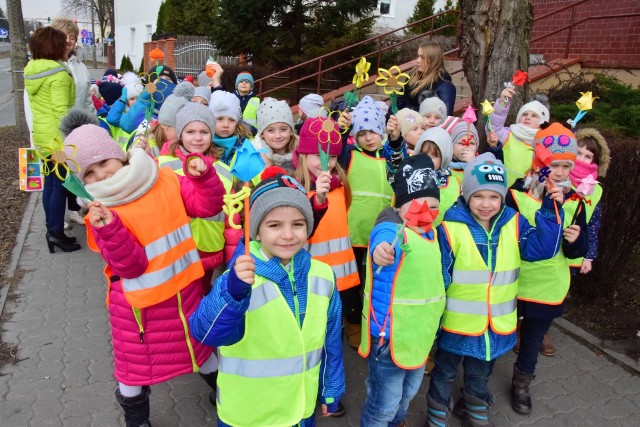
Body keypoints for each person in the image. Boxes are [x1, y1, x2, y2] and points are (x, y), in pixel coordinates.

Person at [61, 110, 225, 427]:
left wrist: (203, 177)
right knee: (134, 370)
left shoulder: (160, 177)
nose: (100, 176)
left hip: (184, 294)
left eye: (104, 163)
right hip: (138, 309)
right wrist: (109, 229)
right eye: (89, 174)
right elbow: (131, 266)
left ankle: (224, 392)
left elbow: (207, 206)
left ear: (120, 158)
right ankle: (137, 419)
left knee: (201, 352)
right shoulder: (99, 212)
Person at [189, 173, 345, 426]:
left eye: (297, 224)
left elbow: (330, 338)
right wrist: (233, 293)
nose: (288, 235)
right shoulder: (238, 279)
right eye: (274, 225)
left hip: (300, 409)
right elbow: (205, 332)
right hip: (249, 412)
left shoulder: (323, 275)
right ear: (256, 232)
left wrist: (331, 387)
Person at [425, 152, 564, 427]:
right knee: (444, 371)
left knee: (479, 373)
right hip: (456, 324)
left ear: (503, 197)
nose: (486, 204)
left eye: (494, 196)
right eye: (478, 196)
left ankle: (476, 409)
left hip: (494, 324)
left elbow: (542, 248)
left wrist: (549, 209)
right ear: (465, 193)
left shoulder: (513, 223)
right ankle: (437, 413)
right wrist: (432, 321)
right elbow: (439, 278)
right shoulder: (450, 228)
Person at [506, 123, 588, 416]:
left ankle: (521, 384)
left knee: (532, 339)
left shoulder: (575, 200)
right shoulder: (517, 192)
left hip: (547, 284)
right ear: (540, 161)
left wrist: (577, 241)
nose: (562, 172)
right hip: (513, 280)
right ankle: (478, 382)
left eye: (567, 165)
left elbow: (579, 249)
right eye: (555, 165)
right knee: (499, 333)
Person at [360, 154, 446, 426]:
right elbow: (383, 243)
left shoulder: (431, 234)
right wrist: (380, 253)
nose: (425, 211)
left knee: (407, 394)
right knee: (382, 404)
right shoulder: (391, 226)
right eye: (417, 204)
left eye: (432, 206)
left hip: (419, 335)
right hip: (390, 338)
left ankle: (397, 422)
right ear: (399, 206)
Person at [157, 102, 241, 295]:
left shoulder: (225, 171)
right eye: (190, 132)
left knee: (201, 297)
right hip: (175, 248)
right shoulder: (163, 166)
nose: (197, 138)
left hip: (208, 247)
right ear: (180, 134)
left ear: (211, 135)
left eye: (204, 132)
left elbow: (231, 220)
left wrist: (232, 257)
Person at [337, 95, 397, 349]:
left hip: (382, 233)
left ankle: (375, 320)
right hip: (353, 231)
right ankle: (353, 322)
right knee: (354, 281)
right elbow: (335, 152)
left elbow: (400, 156)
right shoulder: (350, 155)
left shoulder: (390, 158)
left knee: (379, 280)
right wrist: (340, 131)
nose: (368, 137)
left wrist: (396, 139)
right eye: (362, 133)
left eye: (373, 131)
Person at [293, 117, 359, 305]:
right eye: (319, 156)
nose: (326, 163)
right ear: (304, 154)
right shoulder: (297, 189)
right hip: (311, 277)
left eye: (332, 157)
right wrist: (318, 200)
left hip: (343, 277)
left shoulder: (340, 186)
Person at [24, 27, 78, 252]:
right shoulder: (57, 74)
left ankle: (52, 230)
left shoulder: (32, 70)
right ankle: (55, 233)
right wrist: (72, 137)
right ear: (54, 46)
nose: (66, 46)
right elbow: (61, 111)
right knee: (60, 187)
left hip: (43, 136)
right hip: (58, 139)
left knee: (50, 185)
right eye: (62, 43)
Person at [487, 88, 551, 186]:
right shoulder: (508, 134)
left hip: (523, 194)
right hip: (499, 185)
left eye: (534, 115)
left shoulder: (544, 144)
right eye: (524, 114)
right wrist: (502, 103)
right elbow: (494, 126)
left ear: (543, 122)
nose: (528, 117)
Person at [569, 128, 610, 274]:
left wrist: (588, 256)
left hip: (572, 252)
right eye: (578, 153)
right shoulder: (558, 175)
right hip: (546, 247)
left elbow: (593, 224)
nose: (581, 159)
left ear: (595, 160)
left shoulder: (595, 189)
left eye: (588, 156)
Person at [396, 41, 456, 116]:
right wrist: (390, 120)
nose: (417, 61)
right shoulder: (412, 76)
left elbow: (444, 118)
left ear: (433, 59)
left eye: (422, 57)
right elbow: (398, 101)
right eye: (418, 56)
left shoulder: (445, 86)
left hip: (422, 127)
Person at [414, 126, 458, 226]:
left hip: (444, 236)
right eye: (424, 153)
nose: (428, 159)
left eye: (435, 155)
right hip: (417, 235)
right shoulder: (411, 177)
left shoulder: (454, 183)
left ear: (443, 158)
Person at [51, 17, 95, 114]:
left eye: (72, 37)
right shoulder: (45, 65)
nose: (68, 41)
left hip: (79, 126)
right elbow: (32, 104)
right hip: (52, 127)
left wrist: (94, 124)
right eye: (63, 36)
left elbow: (88, 101)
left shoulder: (81, 67)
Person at [208, 90, 253, 167]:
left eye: (232, 120)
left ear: (237, 123)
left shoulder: (247, 145)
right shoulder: (202, 145)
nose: (226, 125)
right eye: (220, 119)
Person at [255, 98, 298, 172]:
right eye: (271, 130)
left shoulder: (302, 156)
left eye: (283, 129)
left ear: (291, 131)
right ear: (262, 134)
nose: (278, 136)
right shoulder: (254, 158)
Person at [448, 120, 479, 185]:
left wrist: (472, 164)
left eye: (472, 143)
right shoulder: (444, 166)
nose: (466, 148)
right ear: (452, 146)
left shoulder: (482, 166)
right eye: (461, 143)